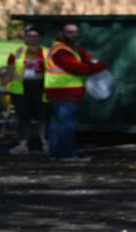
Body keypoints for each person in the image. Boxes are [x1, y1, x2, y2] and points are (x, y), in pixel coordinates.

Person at [44, 21, 108, 163]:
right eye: (69, 32)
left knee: (57, 125)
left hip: (59, 92)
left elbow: (84, 56)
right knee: (66, 125)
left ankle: (56, 154)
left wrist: (90, 59)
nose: (73, 35)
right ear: (61, 33)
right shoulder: (61, 50)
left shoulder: (67, 48)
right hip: (64, 93)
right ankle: (67, 155)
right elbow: (77, 68)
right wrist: (100, 66)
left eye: (75, 32)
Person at [5, 25, 49, 156]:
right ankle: (22, 145)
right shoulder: (17, 51)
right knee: (23, 117)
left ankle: (46, 143)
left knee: (44, 117)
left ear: (40, 38)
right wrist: (4, 84)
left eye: (35, 36)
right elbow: (10, 69)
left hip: (42, 87)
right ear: (25, 37)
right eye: (29, 35)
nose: (32, 38)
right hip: (21, 89)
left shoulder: (47, 52)